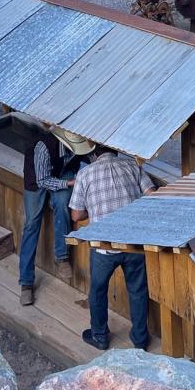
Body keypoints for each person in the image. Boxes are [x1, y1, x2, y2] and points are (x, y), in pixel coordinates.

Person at [70, 144, 154, 351]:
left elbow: (76, 215)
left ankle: (99, 336)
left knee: (98, 291)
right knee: (138, 290)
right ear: (114, 150)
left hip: (103, 247)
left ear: (92, 154)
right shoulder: (132, 166)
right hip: (133, 243)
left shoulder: (85, 174)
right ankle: (140, 339)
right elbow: (152, 194)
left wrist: (96, 208)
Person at [19, 124, 94, 307]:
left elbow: (89, 160)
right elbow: (43, 180)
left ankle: (62, 257)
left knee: (62, 204)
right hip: (37, 179)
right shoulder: (44, 147)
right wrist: (69, 183)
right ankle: (26, 284)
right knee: (31, 224)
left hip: (62, 171)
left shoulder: (78, 144)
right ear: (66, 142)